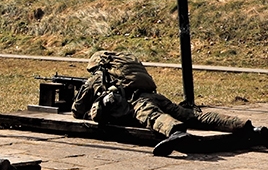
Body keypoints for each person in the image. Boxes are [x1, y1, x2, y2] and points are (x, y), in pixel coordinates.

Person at [71, 50, 268, 156]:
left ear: (96, 65)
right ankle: (248, 127)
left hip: (137, 100)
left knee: (153, 117)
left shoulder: (99, 76)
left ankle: (176, 133)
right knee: (193, 116)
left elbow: (77, 109)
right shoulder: (125, 68)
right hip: (155, 95)